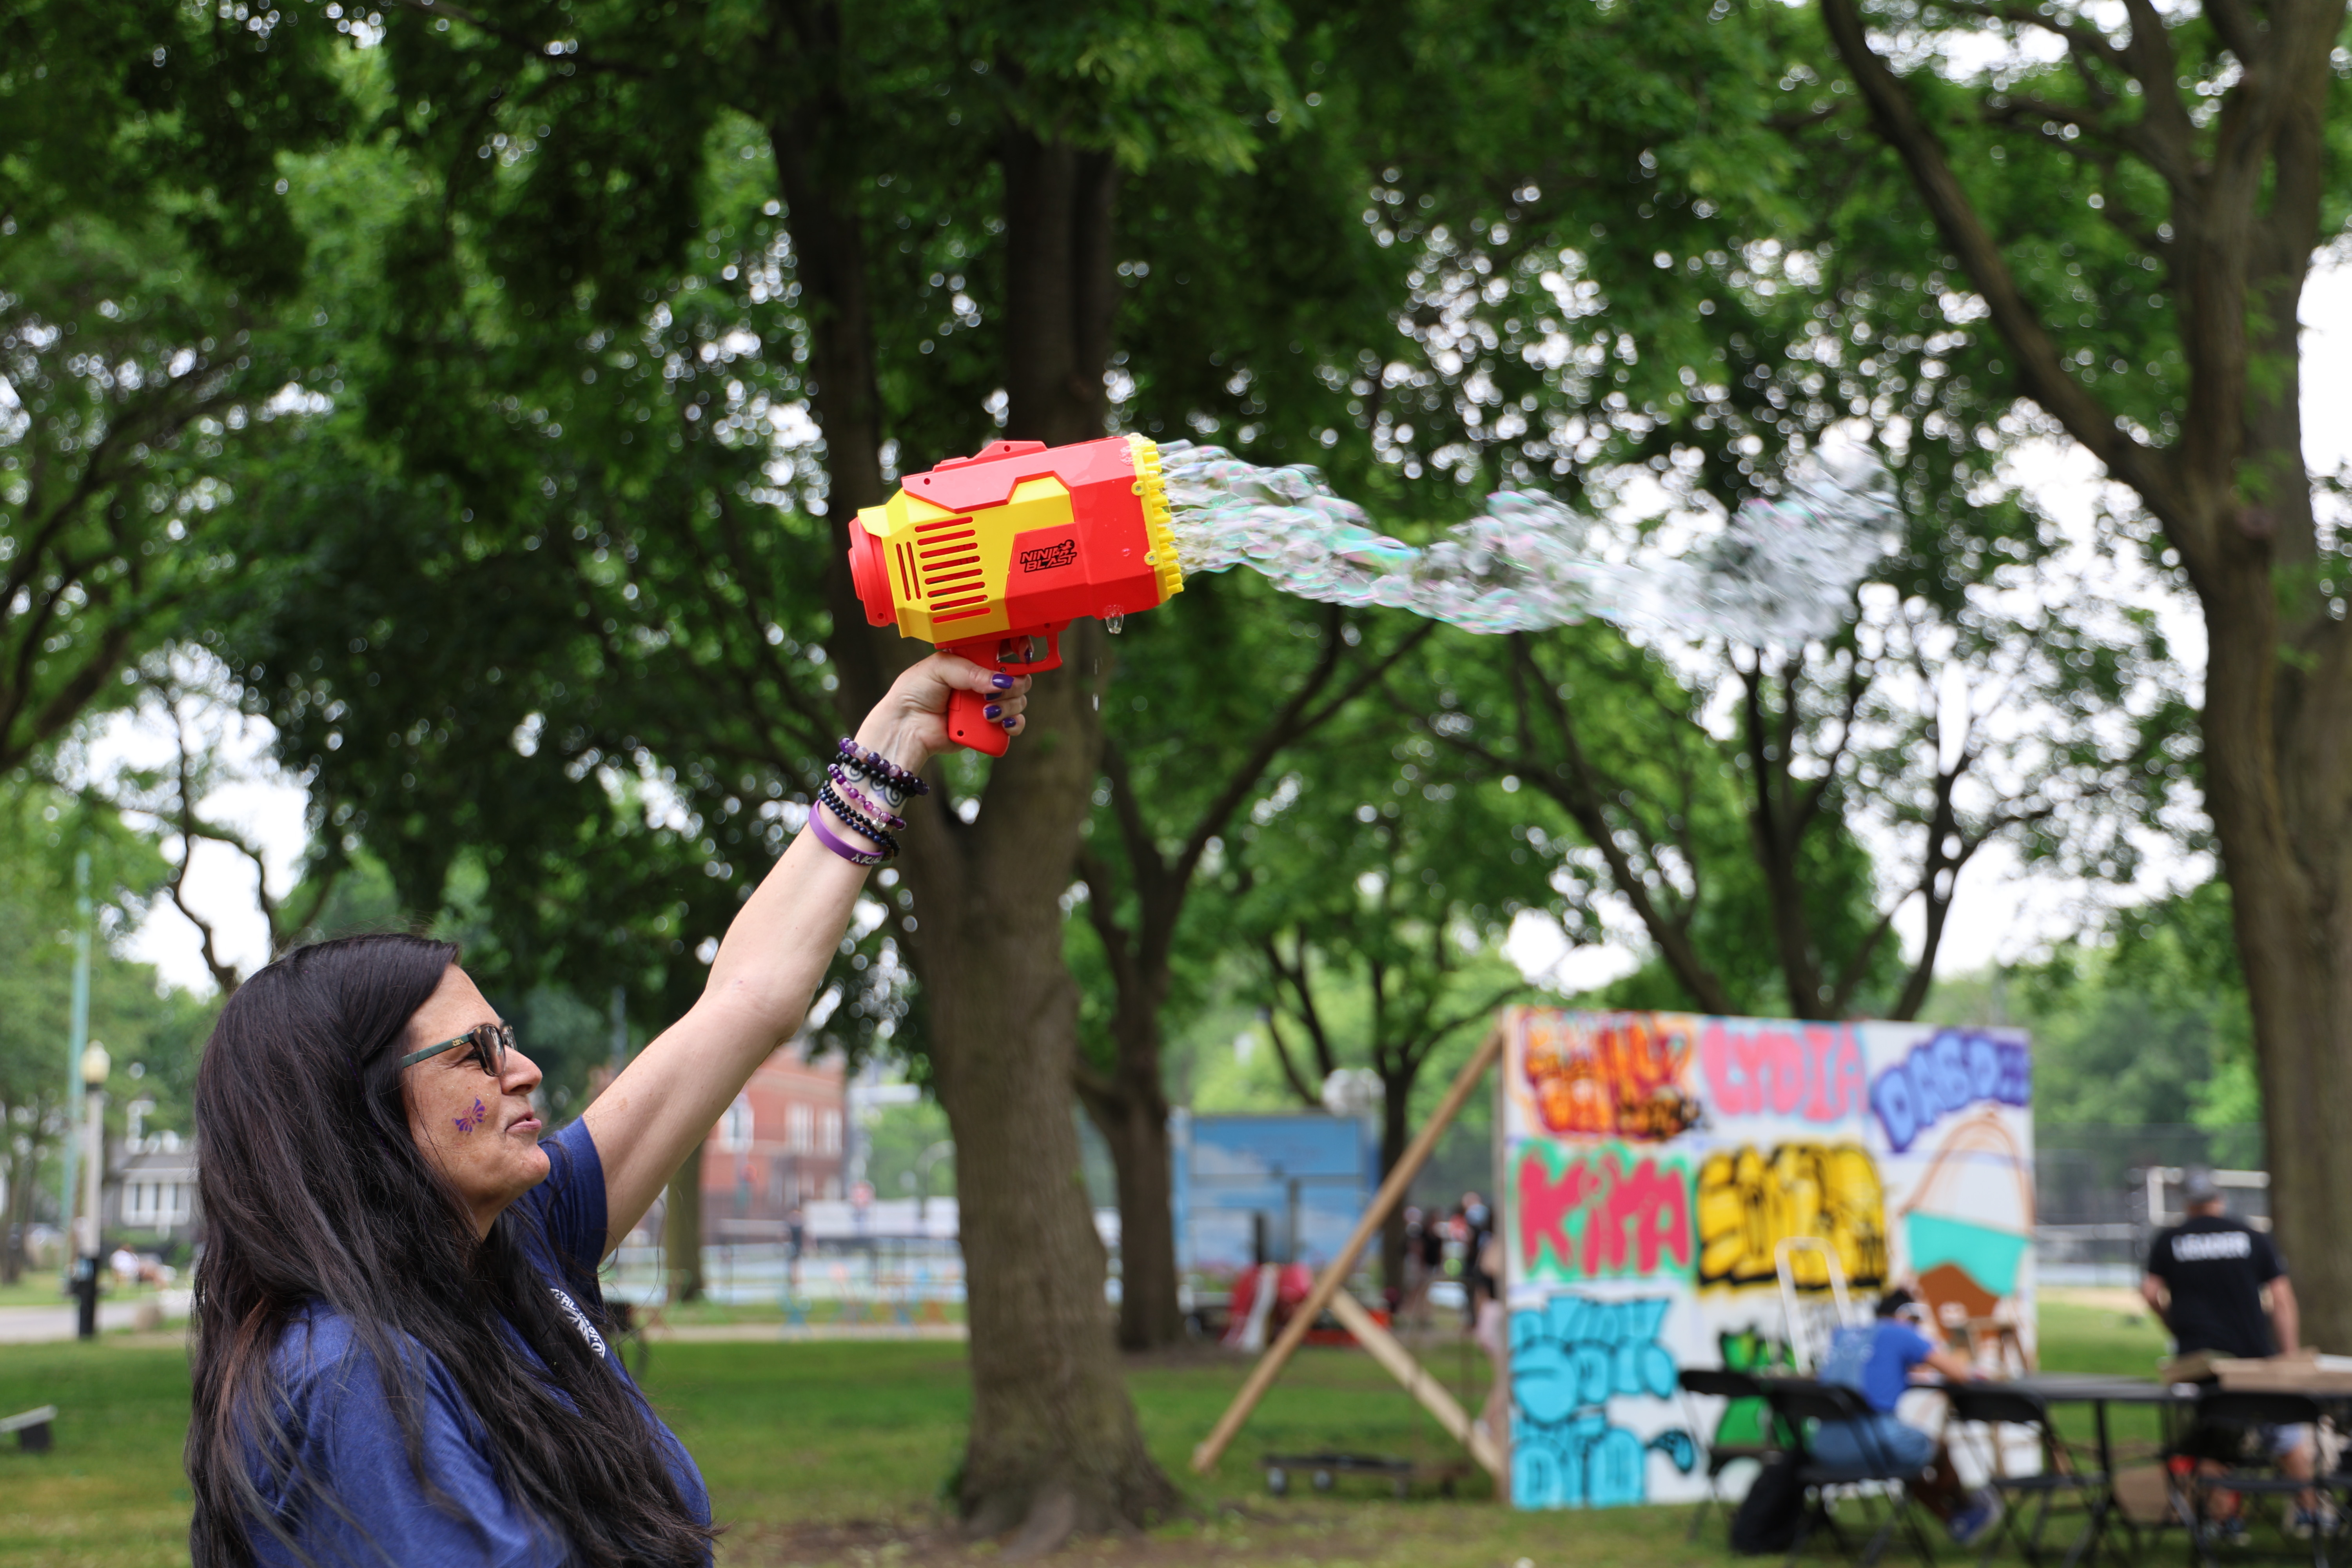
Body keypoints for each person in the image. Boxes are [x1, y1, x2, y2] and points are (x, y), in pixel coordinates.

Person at [182, 655, 1029, 1568]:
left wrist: (895, 739)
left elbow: (747, 1000)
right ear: (353, 1110)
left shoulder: (517, 1243)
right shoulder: (345, 1373)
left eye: (506, 1038)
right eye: (477, 1052)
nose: (526, 1071)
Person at [2142, 1167, 2330, 1540]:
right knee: (2286, 1430)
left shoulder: (2169, 1240)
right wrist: (2288, 1355)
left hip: (2201, 1363)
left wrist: (2175, 1326)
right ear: (2219, 1198)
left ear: (2187, 1202)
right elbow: (2281, 1298)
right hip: (2254, 1360)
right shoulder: (2252, 1236)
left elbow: (2150, 1293)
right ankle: (2311, 1514)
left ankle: (2227, 1522)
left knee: (2213, 1436)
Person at [1814, 1288, 2003, 1546]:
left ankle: (1955, 1517)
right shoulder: (1900, 1333)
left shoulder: (1845, 1335)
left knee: (1907, 1461)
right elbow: (1959, 1372)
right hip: (1872, 1442)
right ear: (1906, 1316)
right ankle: (1965, 1511)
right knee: (1933, 1450)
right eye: (1917, 1322)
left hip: (1825, 1446)